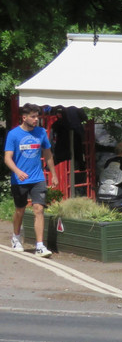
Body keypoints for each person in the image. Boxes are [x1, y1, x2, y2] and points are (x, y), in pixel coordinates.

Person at [4, 103, 58, 256]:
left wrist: (53, 174)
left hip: (37, 178)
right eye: (33, 117)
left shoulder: (41, 132)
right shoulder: (14, 135)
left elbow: (48, 154)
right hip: (20, 179)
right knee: (20, 210)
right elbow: (7, 158)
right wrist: (17, 171)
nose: (36, 120)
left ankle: (40, 245)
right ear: (24, 117)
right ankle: (15, 237)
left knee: (39, 209)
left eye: (37, 117)